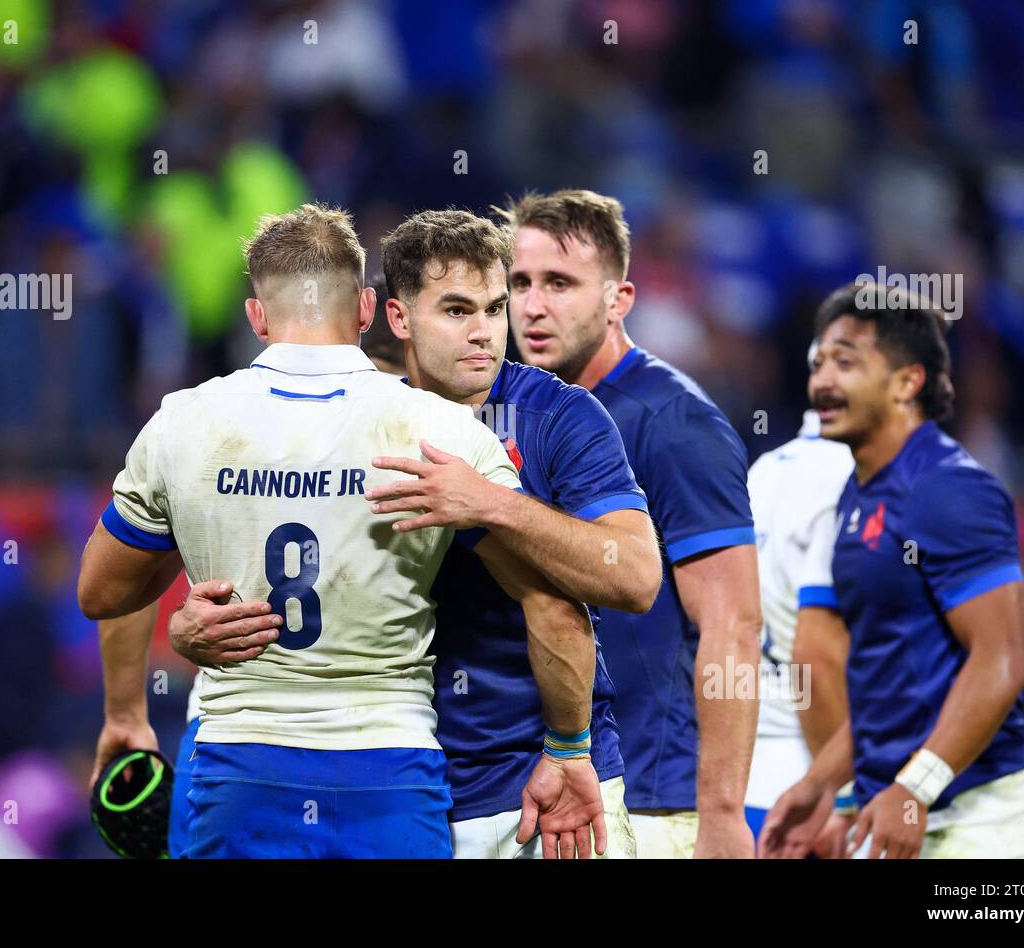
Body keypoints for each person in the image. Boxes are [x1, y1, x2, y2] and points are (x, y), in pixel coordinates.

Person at [166, 210, 662, 858]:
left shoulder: (560, 416)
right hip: (405, 785)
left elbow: (634, 576)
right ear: (398, 319)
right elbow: (281, 595)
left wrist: (493, 503)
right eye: (458, 311)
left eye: (494, 308)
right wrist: (184, 633)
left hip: (549, 785)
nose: (485, 333)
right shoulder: (354, 431)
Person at [78, 203, 524, 858]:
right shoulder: (445, 432)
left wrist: (126, 714)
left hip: (238, 759)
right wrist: (569, 746)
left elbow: (103, 592)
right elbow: (539, 600)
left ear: (257, 317)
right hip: (389, 764)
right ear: (368, 310)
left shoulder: (183, 424)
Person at [500, 189, 763, 858]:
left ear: (618, 300)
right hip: (549, 783)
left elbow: (732, 625)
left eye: (560, 284)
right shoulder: (510, 408)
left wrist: (723, 813)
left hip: (655, 799)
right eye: (521, 283)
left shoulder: (674, 424)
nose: (533, 306)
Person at [759, 283, 1024, 859]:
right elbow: (886, 692)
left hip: (981, 818)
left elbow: (1004, 658)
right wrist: (824, 787)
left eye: (847, 363)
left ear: (907, 382)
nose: (822, 381)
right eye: (819, 362)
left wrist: (913, 789)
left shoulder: (948, 487)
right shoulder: (853, 496)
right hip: (897, 810)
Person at [743, 406, 854, 852]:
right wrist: (841, 791)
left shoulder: (763, 469)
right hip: (823, 780)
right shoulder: (854, 477)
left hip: (751, 769)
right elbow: (818, 658)